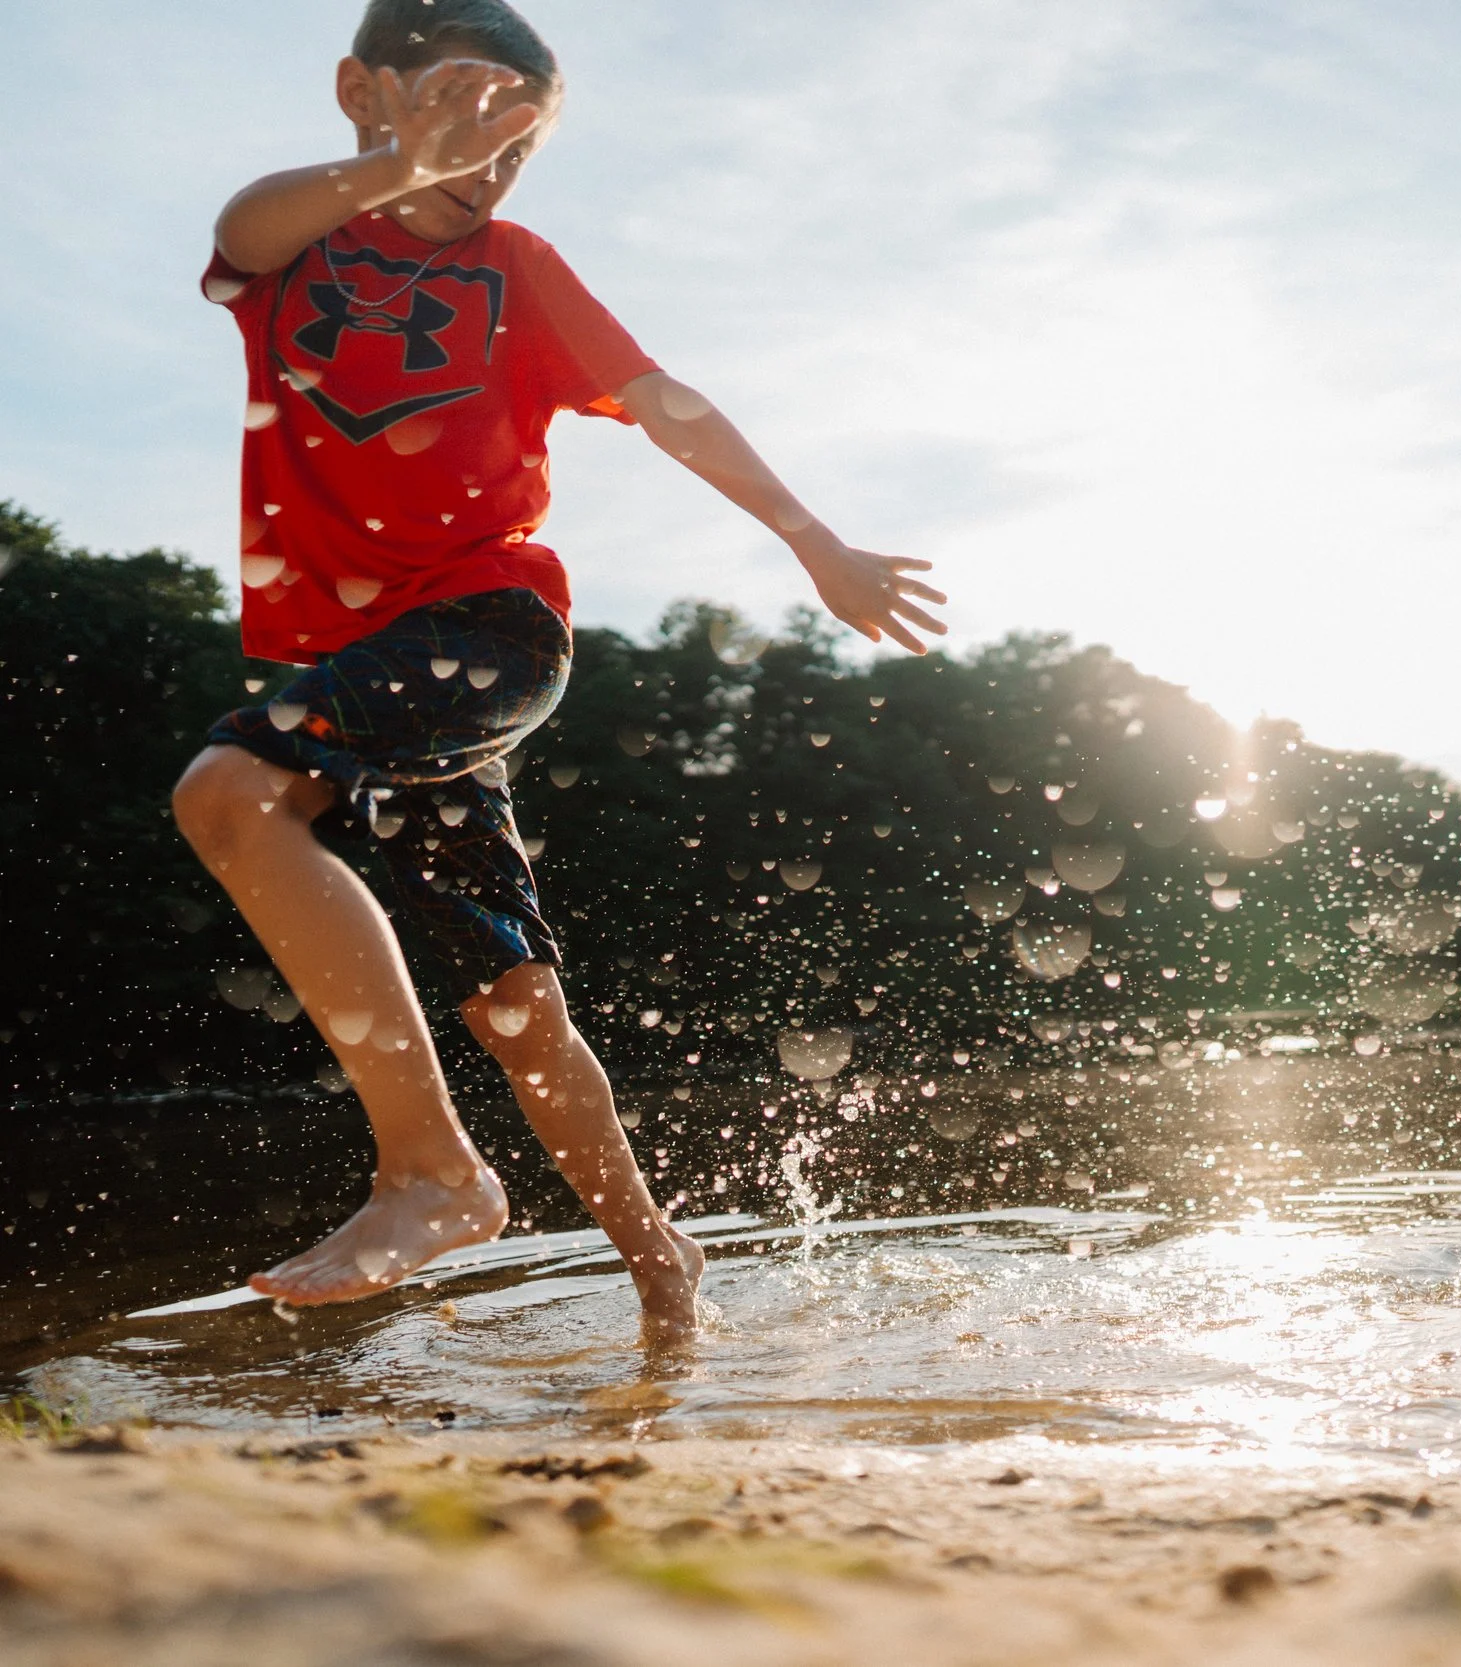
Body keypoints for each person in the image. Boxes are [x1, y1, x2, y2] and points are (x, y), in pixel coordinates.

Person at [171, 0, 945, 1344]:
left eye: (516, 144)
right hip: (372, 663)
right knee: (514, 1004)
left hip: (488, 633)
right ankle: (663, 1268)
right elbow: (243, 229)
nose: (485, 162)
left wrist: (815, 539)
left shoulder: (519, 270)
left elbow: (664, 402)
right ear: (363, 89)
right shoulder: (296, 248)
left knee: (231, 791)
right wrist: (398, 165)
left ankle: (432, 1172)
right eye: (462, 114)